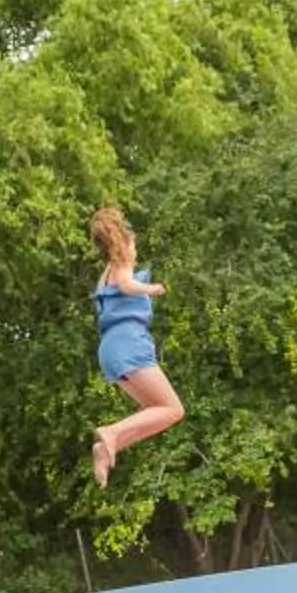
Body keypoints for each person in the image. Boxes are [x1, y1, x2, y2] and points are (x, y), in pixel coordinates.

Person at [88, 206, 184, 485]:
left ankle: (108, 447)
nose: (137, 253)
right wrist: (150, 289)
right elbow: (127, 284)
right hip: (129, 344)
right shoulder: (120, 266)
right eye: (135, 247)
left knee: (155, 412)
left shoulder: (106, 272)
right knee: (174, 410)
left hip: (112, 349)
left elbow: (120, 285)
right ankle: (111, 433)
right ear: (124, 245)